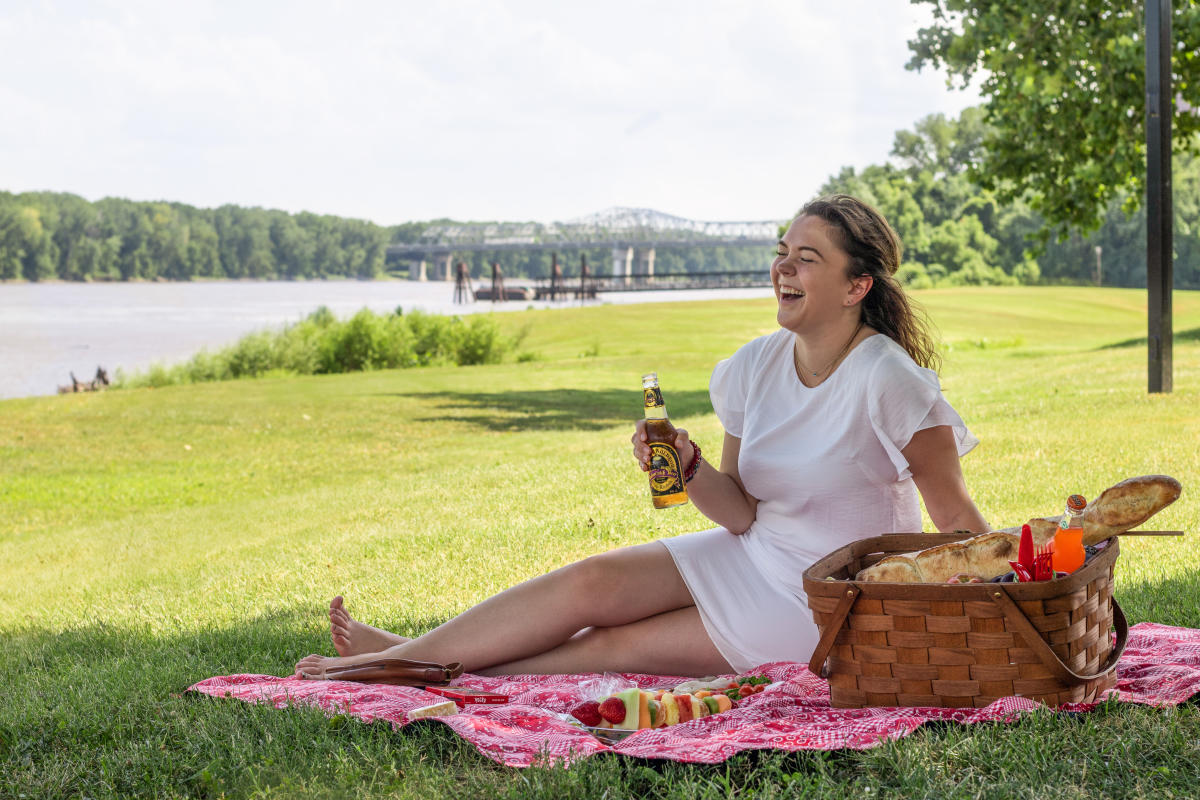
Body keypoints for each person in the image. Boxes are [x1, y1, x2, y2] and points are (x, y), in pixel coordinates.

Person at [294, 194, 989, 681]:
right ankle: (417, 654)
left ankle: (414, 667)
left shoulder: (888, 380)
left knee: (611, 646)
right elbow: (741, 510)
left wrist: (1014, 605)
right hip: (754, 550)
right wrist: (688, 470)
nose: (783, 267)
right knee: (594, 581)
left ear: (854, 285)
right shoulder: (753, 366)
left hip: (825, 603)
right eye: (783, 252)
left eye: (806, 258)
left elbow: (955, 521)